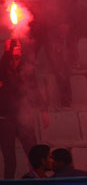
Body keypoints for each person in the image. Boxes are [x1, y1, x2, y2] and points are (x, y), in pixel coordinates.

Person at [0, 39, 48, 179]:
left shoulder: (24, 69)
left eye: (18, 57)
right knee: (10, 160)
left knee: (34, 155)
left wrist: (43, 110)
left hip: (23, 118)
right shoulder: (1, 69)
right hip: (4, 119)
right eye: (13, 57)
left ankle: (38, 181)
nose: (16, 60)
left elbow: (34, 88)